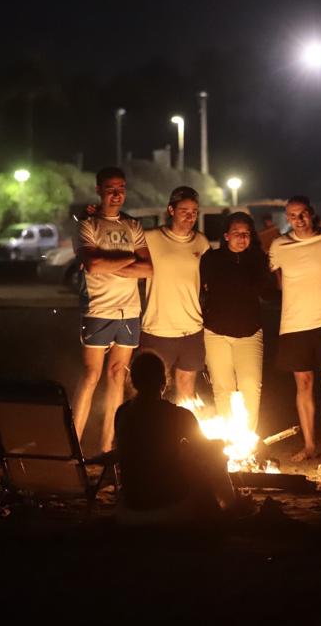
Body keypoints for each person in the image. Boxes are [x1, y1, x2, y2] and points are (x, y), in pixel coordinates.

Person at [70, 167, 153, 454]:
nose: (117, 194)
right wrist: (128, 258)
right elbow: (93, 265)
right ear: (99, 190)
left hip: (129, 311)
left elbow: (148, 269)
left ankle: (108, 449)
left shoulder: (133, 226)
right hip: (98, 309)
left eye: (121, 188)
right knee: (91, 375)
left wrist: (111, 261)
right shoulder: (87, 225)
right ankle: (74, 446)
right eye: (110, 188)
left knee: (118, 375)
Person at [268, 196, 321, 462]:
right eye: (292, 215)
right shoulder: (279, 245)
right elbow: (276, 282)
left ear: (312, 213)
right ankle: (310, 445)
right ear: (287, 218)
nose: (298, 220)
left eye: (302, 214)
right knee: (303, 385)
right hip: (293, 325)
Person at [114, 352, 237, 521]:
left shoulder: (122, 412)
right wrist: (221, 443)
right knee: (216, 455)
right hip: (167, 499)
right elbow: (205, 449)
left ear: (133, 382)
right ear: (163, 383)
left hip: (133, 499)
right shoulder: (180, 416)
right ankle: (229, 509)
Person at [200, 212, 270, 434]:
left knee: (251, 387)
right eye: (237, 233)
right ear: (226, 236)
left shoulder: (257, 260)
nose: (242, 238)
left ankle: (247, 440)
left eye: (246, 234)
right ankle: (228, 441)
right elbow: (200, 289)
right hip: (216, 332)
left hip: (249, 332)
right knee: (223, 388)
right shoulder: (212, 259)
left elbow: (267, 292)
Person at [141, 186, 211, 402]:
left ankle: (183, 434)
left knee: (187, 390)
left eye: (195, 211)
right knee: (149, 391)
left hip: (191, 329)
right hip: (157, 328)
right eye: (184, 210)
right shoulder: (150, 238)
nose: (190, 216)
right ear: (171, 210)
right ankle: (148, 433)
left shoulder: (201, 242)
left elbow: (209, 281)